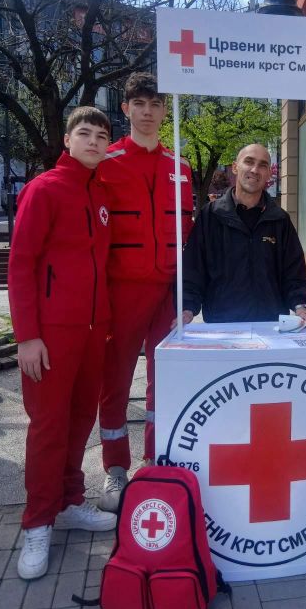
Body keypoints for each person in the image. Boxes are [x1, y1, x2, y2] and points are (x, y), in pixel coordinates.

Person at [9, 107, 117, 580]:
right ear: (69, 140)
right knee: (49, 427)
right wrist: (28, 336)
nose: (94, 142)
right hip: (51, 334)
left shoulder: (101, 193)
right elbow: (21, 264)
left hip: (94, 330)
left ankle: (69, 501)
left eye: (101, 136)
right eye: (85, 133)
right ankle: (37, 522)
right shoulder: (44, 189)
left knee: (80, 420)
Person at [97, 72, 193, 511]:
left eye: (155, 104)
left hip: (168, 293)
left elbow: (187, 231)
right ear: (126, 109)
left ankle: (156, 458)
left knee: (164, 378)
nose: (148, 112)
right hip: (122, 291)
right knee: (115, 380)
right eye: (140, 104)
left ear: (165, 110)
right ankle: (115, 468)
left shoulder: (180, 167)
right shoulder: (107, 162)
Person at [180, 143, 306, 323]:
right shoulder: (211, 216)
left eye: (263, 165)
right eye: (249, 162)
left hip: (270, 325)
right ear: (235, 167)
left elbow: (293, 272)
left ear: (269, 174)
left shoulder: (280, 220)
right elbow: (193, 268)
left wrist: (300, 305)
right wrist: (187, 308)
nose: (255, 170)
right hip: (221, 326)